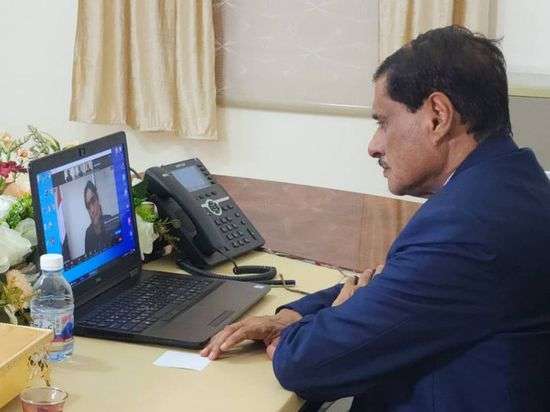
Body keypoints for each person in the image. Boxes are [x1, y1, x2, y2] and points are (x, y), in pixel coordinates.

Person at [200, 26, 550, 411]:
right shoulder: (510, 183)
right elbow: (395, 286)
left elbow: (307, 364)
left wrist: (319, 325)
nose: (374, 146)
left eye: (383, 122)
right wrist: (293, 315)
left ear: (437, 116)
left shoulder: (468, 226)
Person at [83, 180, 113, 255]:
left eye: (93, 201)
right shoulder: (88, 233)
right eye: (88, 206)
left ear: (98, 200)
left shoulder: (110, 220)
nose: (92, 210)